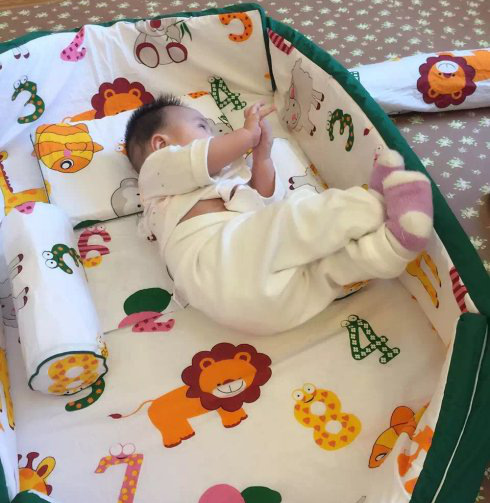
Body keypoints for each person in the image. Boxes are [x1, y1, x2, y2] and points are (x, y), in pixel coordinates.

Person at [125, 94, 433, 335]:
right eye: (203, 127)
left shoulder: (224, 179)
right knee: (295, 217)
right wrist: (245, 135)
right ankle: (374, 204)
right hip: (215, 263)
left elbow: (263, 202)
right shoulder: (156, 173)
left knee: (326, 268)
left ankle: (391, 247)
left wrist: (262, 156)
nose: (215, 134)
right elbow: (207, 159)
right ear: (160, 144)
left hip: (261, 307)